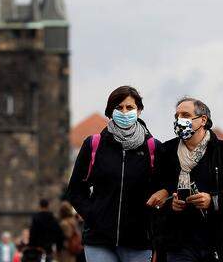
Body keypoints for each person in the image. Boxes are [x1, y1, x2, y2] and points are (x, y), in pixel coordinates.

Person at [67, 86, 167, 262]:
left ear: (139, 110)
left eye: (129, 107)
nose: (124, 112)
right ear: (110, 112)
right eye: (119, 107)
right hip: (99, 240)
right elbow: (75, 190)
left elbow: (164, 188)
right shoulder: (94, 145)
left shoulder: (153, 148)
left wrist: (152, 229)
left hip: (138, 240)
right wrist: (93, 215)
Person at [159, 97, 223, 262]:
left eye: (185, 115)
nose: (179, 120)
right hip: (178, 243)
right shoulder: (167, 151)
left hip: (218, 242)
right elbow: (158, 193)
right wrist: (171, 203)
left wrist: (212, 200)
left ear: (203, 120)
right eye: (177, 116)